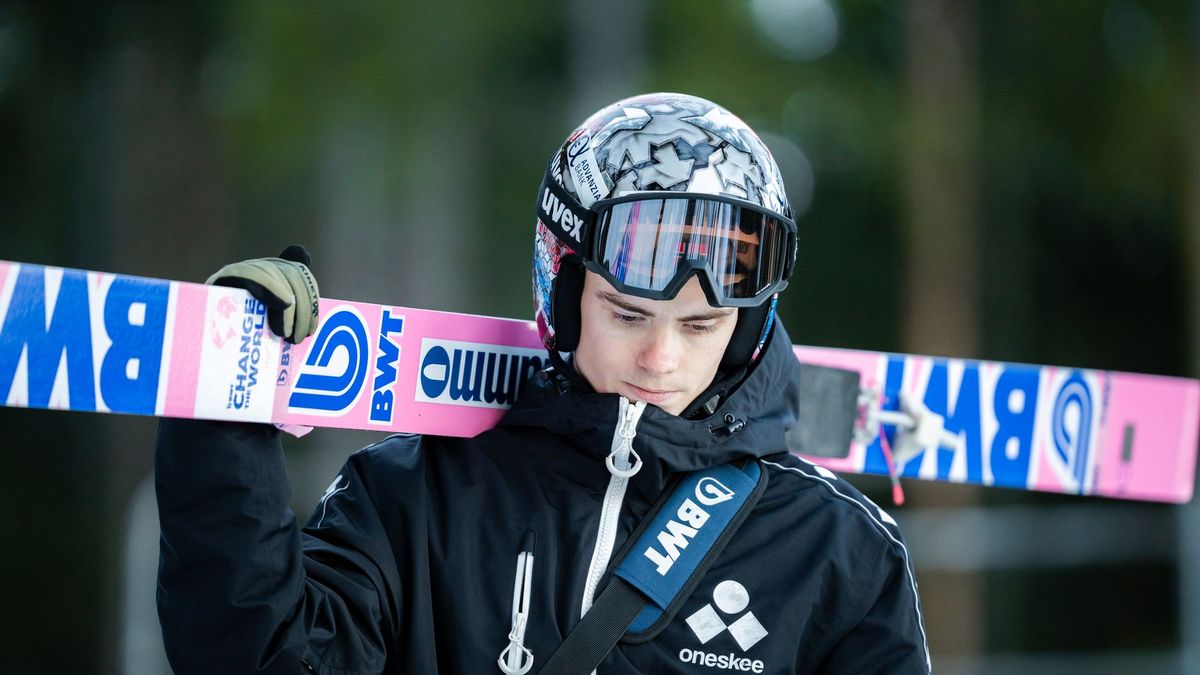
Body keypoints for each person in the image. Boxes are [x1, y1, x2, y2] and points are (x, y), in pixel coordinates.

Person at [155, 92, 930, 674]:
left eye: (700, 326)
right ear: (561, 295)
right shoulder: (417, 495)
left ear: (748, 327)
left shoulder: (836, 551)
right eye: (627, 314)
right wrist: (224, 400)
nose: (662, 359)